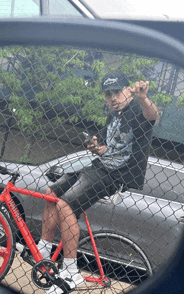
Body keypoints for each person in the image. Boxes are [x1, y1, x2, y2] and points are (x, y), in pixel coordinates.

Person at [37, 71, 158, 294]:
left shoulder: (136, 109)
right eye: (108, 94)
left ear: (128, 90)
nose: (112, 97)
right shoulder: (113, 115)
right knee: (50, 193)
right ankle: (43, 250)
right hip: (100, 166)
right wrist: (96, 147)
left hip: (117, 175)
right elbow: (108, 148)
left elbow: (152, 116)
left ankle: (71, 271)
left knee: (66, 205)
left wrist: (143, 98)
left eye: (117, 92)